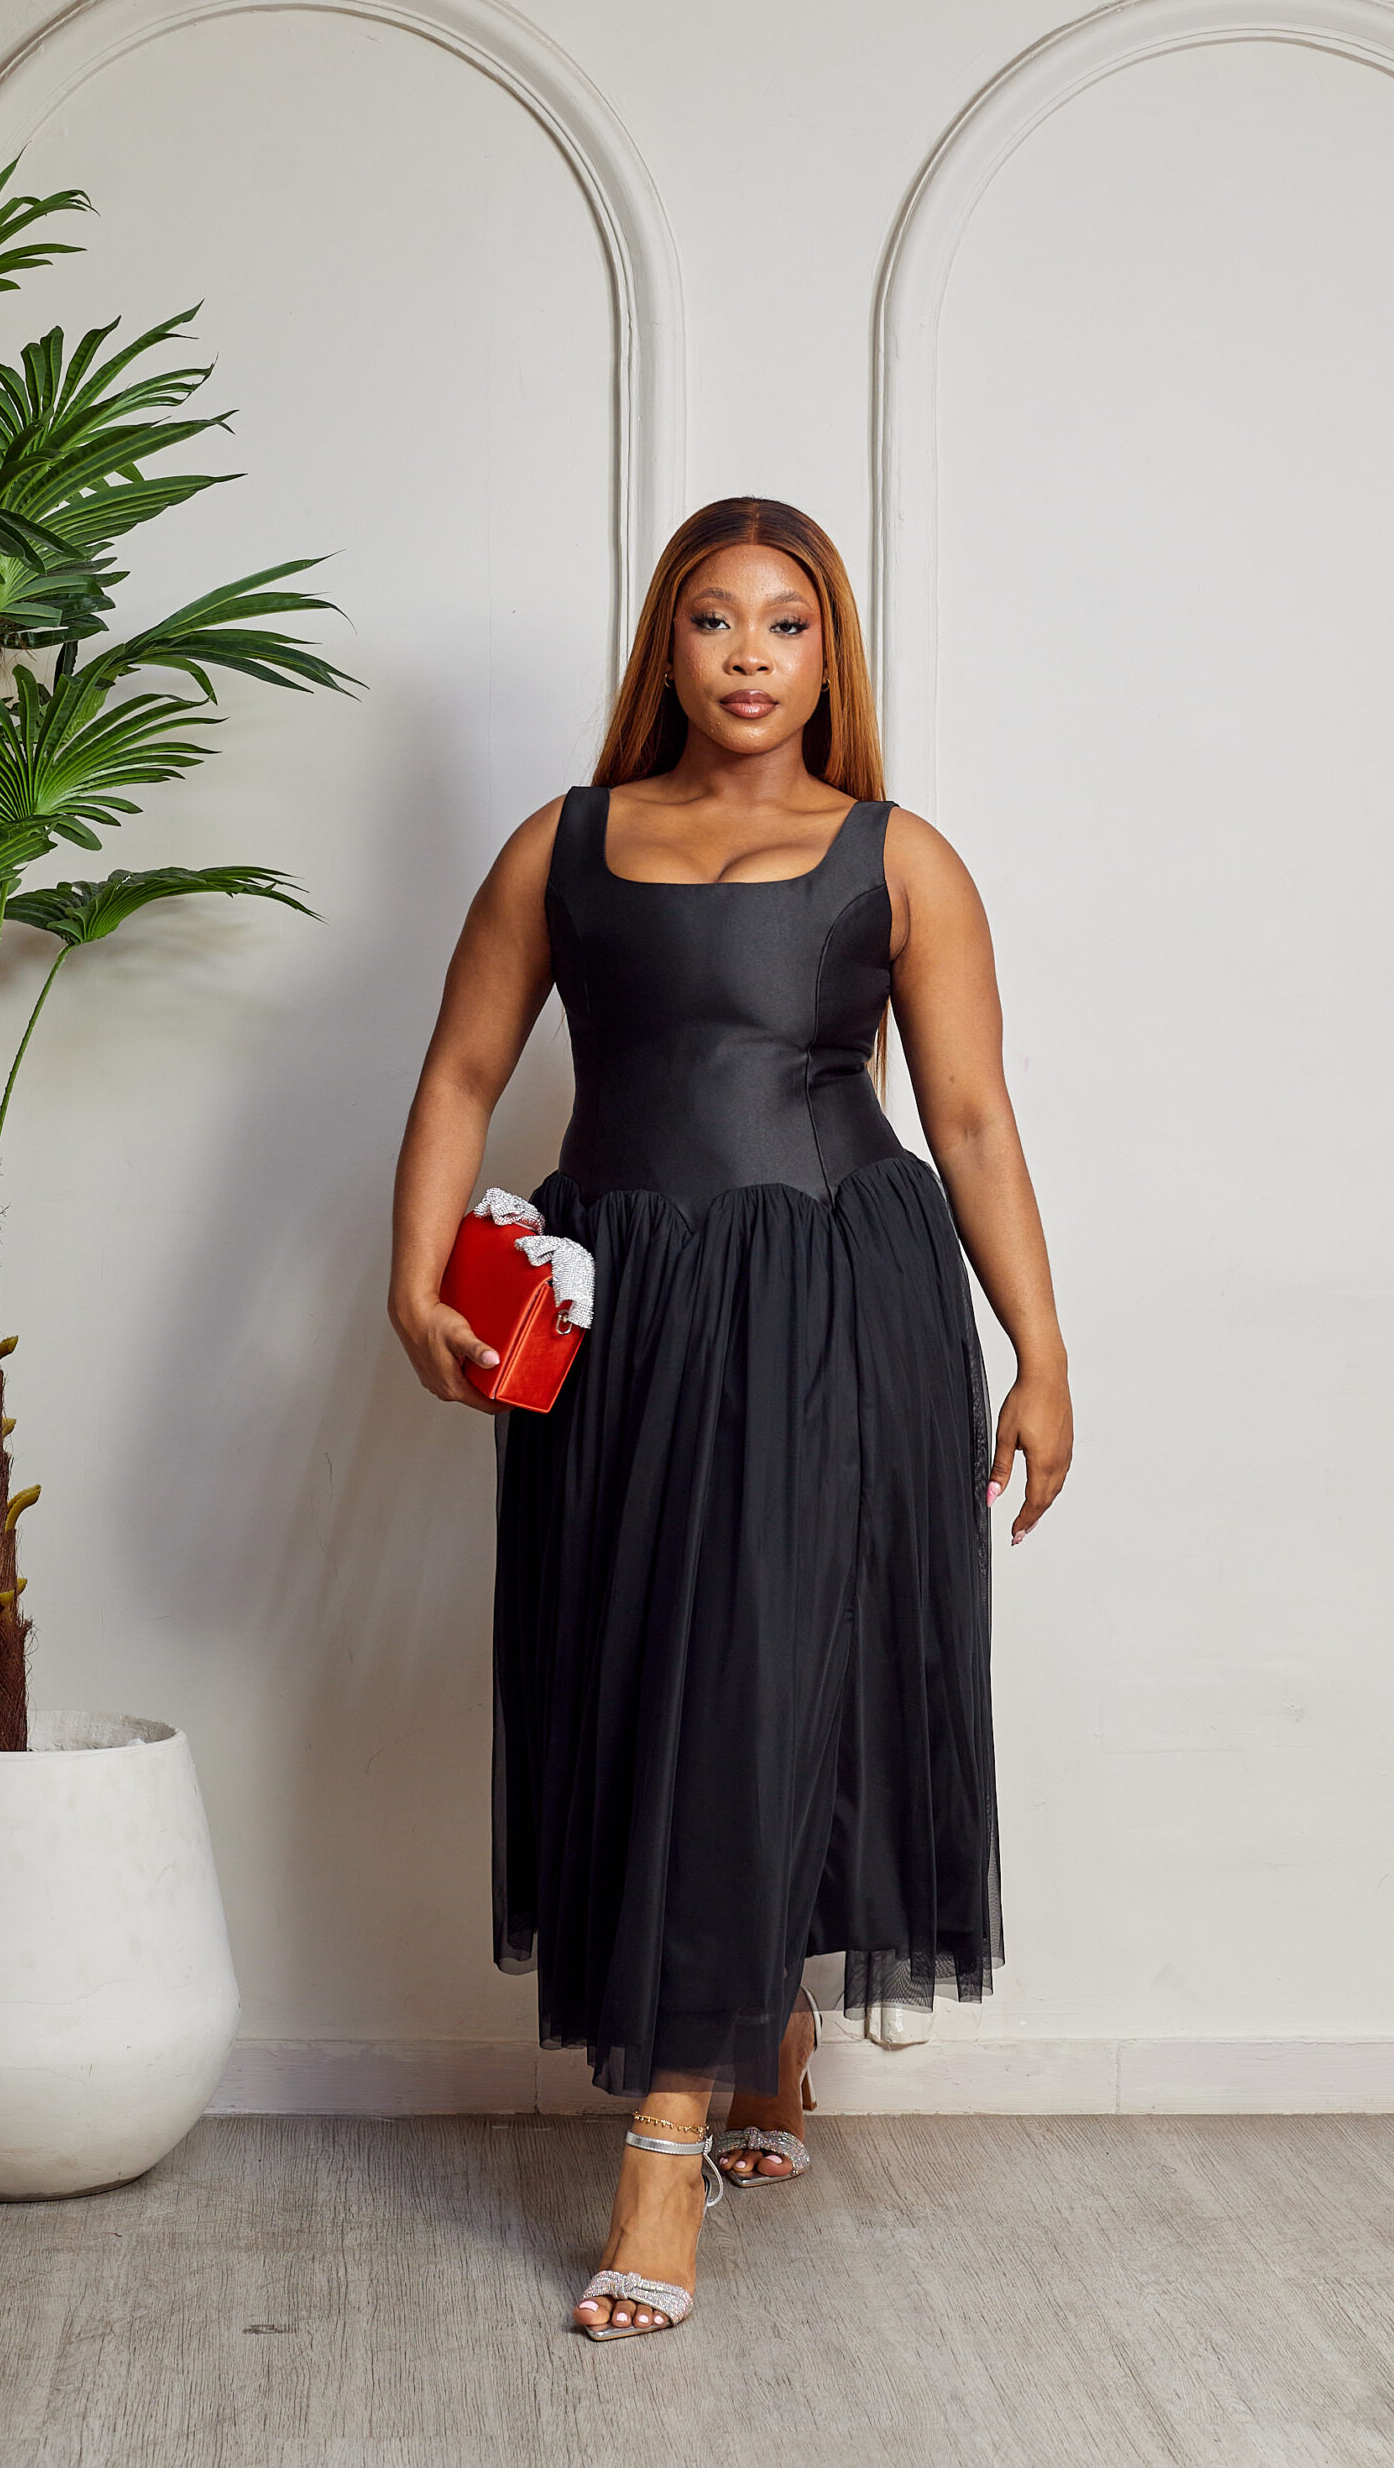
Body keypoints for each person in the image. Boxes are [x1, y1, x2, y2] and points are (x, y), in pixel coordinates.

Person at [389, 497, 1071, 2339]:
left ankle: (664, 2144)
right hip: (623, 1312)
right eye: (714, 619)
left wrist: (1041, 1350)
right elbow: (461, 1070)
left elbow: (972, 1118)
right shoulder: (562, 846)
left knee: (765, 1669)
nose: (750, 654)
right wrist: (411, 1272)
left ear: (829, 653)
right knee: (647, 1674)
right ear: (666, 647)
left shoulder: (899, 859)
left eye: (786, 622)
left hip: (833, 1302)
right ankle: (762, 2030)